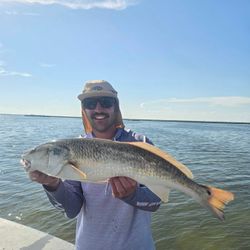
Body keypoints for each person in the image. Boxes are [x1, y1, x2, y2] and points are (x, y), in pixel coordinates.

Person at [28, 80, 162, 250]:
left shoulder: (141, 143)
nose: (98, 109)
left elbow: (156, 202)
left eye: (106, 102)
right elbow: (71, 210)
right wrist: (52, 184)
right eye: (90, 103)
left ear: (116, 106)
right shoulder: (75, 149)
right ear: (83, 109)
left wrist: (133, 194)